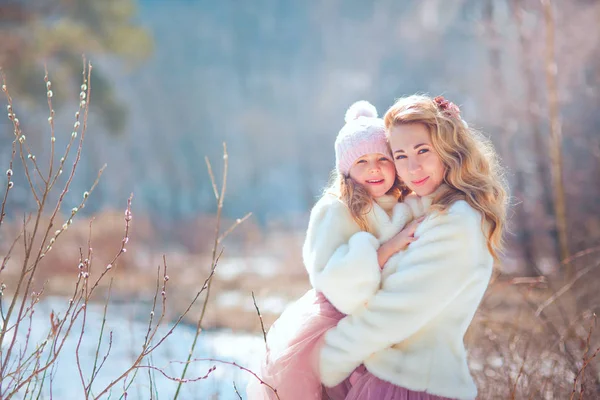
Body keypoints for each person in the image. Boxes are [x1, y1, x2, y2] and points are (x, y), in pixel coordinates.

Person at [319, 95, 508, 400]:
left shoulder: (456, 223)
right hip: (394, 377)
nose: (413, 166)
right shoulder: (421, 211)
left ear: (449, 150)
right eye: (400, 155)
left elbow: (394, 311)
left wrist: (327, 361)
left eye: (423, 150)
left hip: (412, 386)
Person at [247, 100, 426, 400]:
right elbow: (328, 274)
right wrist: (386, 249)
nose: (374, 169)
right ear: (346, 169)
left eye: (382, 159)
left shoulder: (403, 204)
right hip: (338, 319)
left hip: (390, 315)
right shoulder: (335, 209)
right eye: (362, 162)